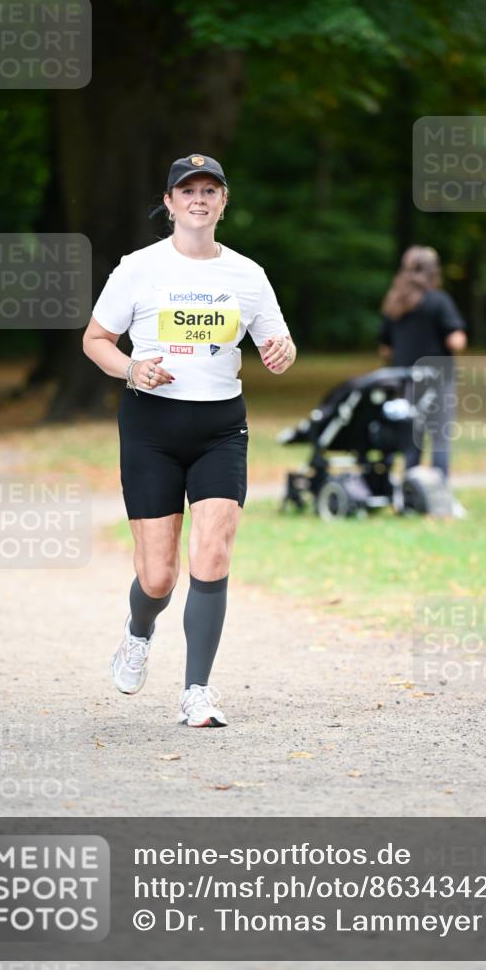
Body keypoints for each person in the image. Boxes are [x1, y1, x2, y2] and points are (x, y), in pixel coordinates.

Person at [82, 153, 296, 727]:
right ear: (170, 202)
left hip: (220, 427)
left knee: (213, 553)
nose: (199, 199)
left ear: (224, 202)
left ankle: (197, 690)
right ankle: (138, 631)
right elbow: (96, 339)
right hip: (152, 427)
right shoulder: (138, 268)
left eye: (210, 190)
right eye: (188, 190)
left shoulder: (248, 275)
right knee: (158, 576)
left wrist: (281, 351)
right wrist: (131, 369)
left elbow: (278, 341)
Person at [379, 245, 467, 515]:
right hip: (437, 379)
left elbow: (385, 349)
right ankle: (441, 499)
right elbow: (457, 340)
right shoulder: (438, 301)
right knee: (439, 439)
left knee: (411, 440)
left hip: (404, 381)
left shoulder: (394, 303)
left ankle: (410, 497)